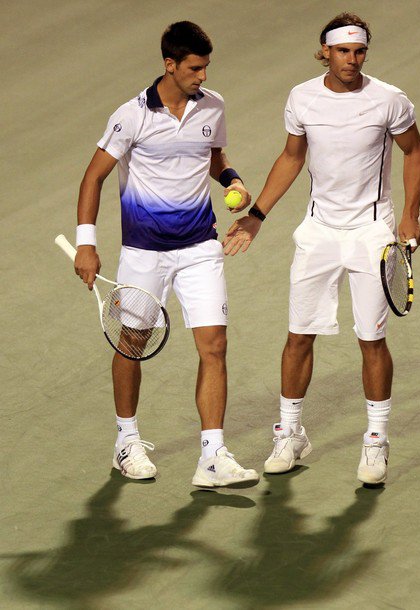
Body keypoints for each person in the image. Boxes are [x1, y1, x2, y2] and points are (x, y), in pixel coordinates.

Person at [223, 13, 420, 484]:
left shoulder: (389, 100)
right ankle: (290, 433)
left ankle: (376, 440)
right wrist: (257, 215)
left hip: (372, 232)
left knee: (371, 339)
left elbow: (415, 151)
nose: (352, 60)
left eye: (359, 51)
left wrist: (411, 214)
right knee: (299, 335)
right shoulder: (302, 97)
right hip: (318, 231)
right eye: (343, 51)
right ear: (325, 52)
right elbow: (292, 156)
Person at [74, 21, 259, 487]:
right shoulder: (130, 117)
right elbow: (92, 177)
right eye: (194, 68)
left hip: (200, 247)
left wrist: (233, 180)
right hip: (145, 253)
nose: (203, 76)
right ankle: (126, 441)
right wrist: (86, 243)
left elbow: (214, 157)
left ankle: (212, 456)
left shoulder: (212, 105)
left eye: (206, 67)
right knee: (131, 344)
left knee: (214, 346)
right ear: (170, 64)